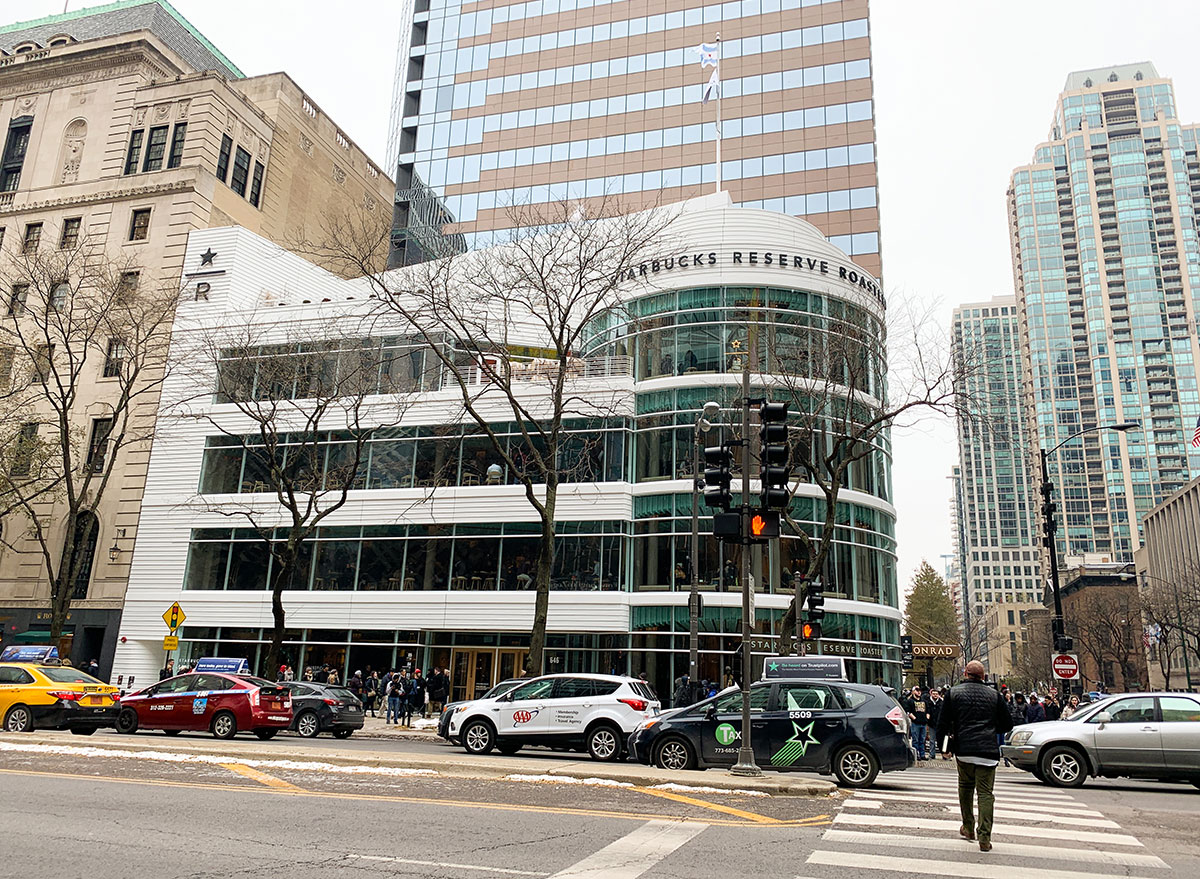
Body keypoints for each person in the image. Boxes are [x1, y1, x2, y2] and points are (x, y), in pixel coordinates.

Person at [936, 660, 1014, 853]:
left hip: (964, 750)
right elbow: (1008, 724)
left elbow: (942, 724)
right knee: (986, 794)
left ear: (965, 673)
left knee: (965, 787)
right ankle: (985, 837)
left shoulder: (953, 693)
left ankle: (968, 827)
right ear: (983, 676)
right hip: (988, 751)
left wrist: (943, 747)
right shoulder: (995, 695)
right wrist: (991, 728)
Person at [903, 686, 929, 760]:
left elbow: (928, 710)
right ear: (913, 692)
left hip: (923, 723)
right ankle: (916, 755)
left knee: (922, 740)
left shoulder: (924, 701)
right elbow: (908, 711)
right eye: (917, 690)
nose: (919, 692)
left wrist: (927, 718)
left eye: (919, 690)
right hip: (915, 723)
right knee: (915, 740)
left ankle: (922, 754)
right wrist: (914, 718)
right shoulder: (910, 701)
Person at [927, 688, 945, 759]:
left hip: (940, 724)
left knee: (943, 740)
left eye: (936, 694)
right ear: (931, 694)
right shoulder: (928, 702)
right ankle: (932, 754)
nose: (935, 695)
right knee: (932, 740)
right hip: (931, 724)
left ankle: (944, 755)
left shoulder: (942, 702)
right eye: (934, 694)